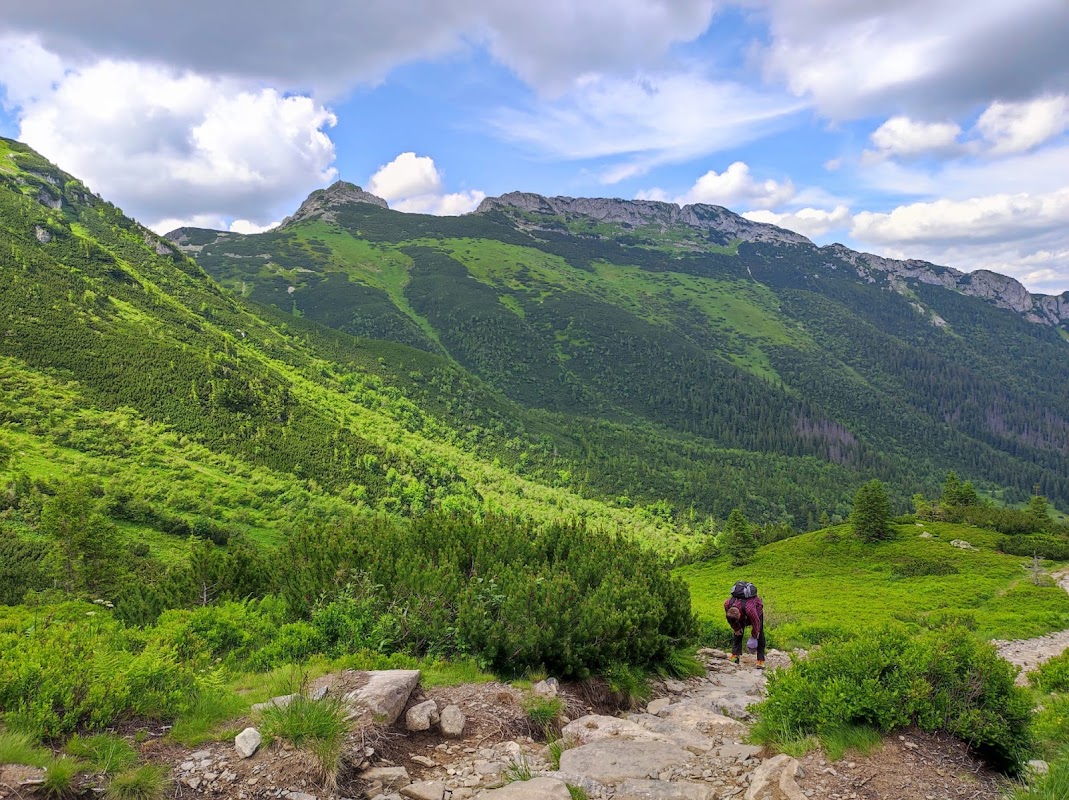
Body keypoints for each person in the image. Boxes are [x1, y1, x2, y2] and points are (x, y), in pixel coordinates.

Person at [724, 581, 765, 668]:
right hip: (742, 613)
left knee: (760, 634)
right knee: (738, 633)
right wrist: (736, 628)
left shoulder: (749, 609)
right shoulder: (727, 604)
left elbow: (756, 623)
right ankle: (735, 656)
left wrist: (754, 636)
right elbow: (730, 620)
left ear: (739, 615)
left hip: (756, 613)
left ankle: (760, 660)